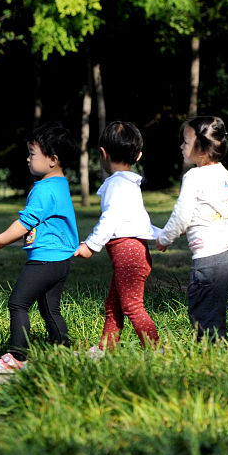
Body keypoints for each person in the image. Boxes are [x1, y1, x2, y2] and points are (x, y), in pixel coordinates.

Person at [0, 123, 79, 374]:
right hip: (59, 261)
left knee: (18, 303)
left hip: (45, 260)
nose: (27, 158)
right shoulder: (59, 184)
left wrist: (0, 240)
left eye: (32, 153)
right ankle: (65, 355)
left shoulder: (44, 189)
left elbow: (26, 222)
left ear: (53, 160)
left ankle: (18, 357)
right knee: (50, 309)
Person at [74, 122, 161, 353]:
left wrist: (90, 245)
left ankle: (156, 351)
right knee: (113, 304)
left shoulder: (115, 184)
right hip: (136, 254)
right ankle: (105, 349)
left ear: (103, 153)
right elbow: (139, 220)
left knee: (132, 306)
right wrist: (162, 236)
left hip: (127, 255)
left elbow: (110, 219)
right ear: (139, 155)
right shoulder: (130, 184)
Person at [156, 116, 228, 342]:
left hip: (209, 259)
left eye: (186, 141)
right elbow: (211, 210)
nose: (181, 146)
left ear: (202, 149)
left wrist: (164, 238)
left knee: (202, 314)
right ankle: (212, 352)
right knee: (213, 310)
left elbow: (181, 215)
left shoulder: (194, 176)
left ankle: (211, 358)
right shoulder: (224, 175)